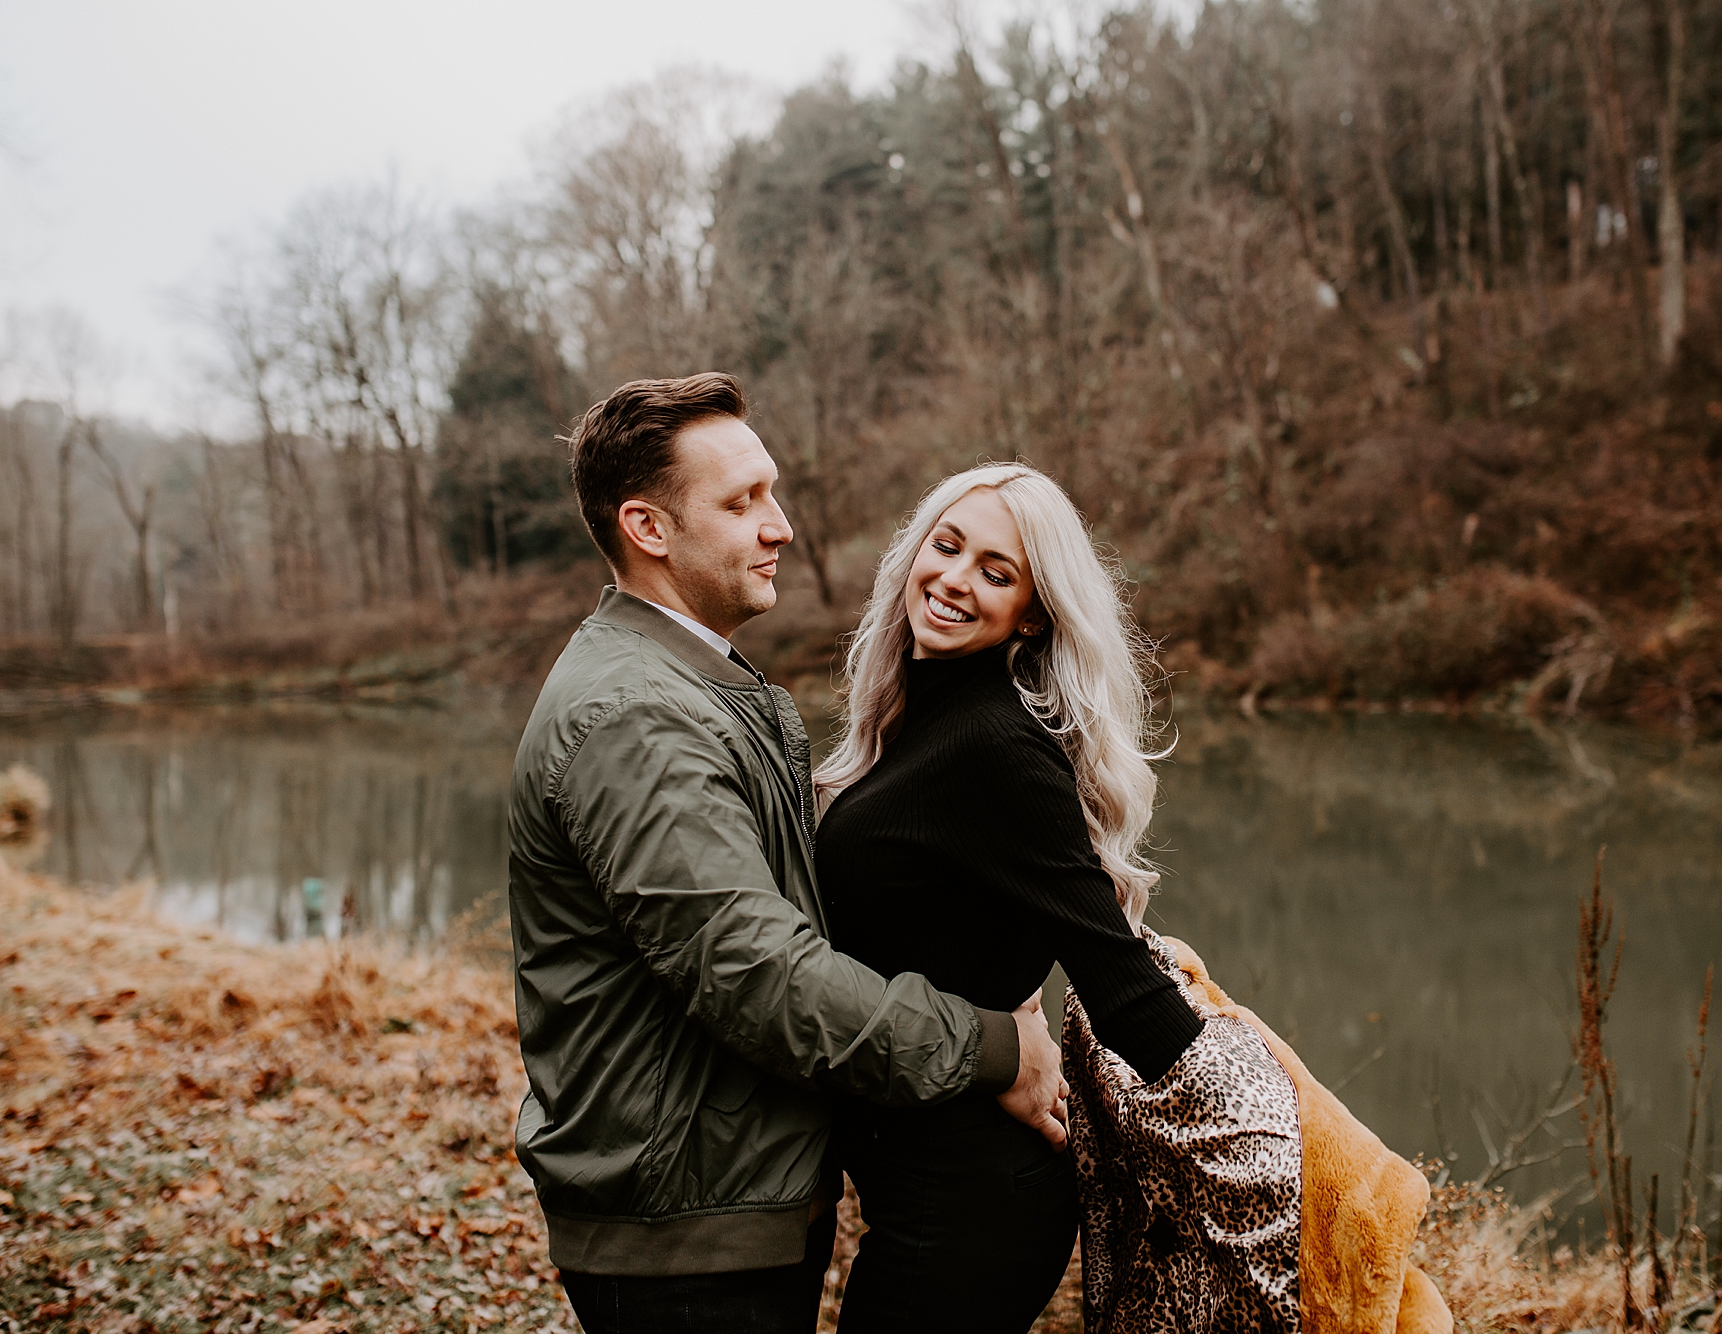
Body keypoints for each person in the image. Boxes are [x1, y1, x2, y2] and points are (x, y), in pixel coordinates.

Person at [506, 375, 1068, 1334]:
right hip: (686, 1232)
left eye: (770, 492)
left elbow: (796, 912)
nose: (783, 527)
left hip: (723, 1196)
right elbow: (765, 977)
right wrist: (991, 1047)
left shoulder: (696, 679)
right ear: (649, 528)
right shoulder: (638, 719)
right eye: (743, 502)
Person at [812, 464, 1302, 1333]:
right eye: (948, 545)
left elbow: (1116, 979)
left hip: (970, 1210)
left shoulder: (998, 746)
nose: (957, 579)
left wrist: (1282, 1147)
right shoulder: (914, 720)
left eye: (997, 572)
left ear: (1032, 614)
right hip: (918, 1187)